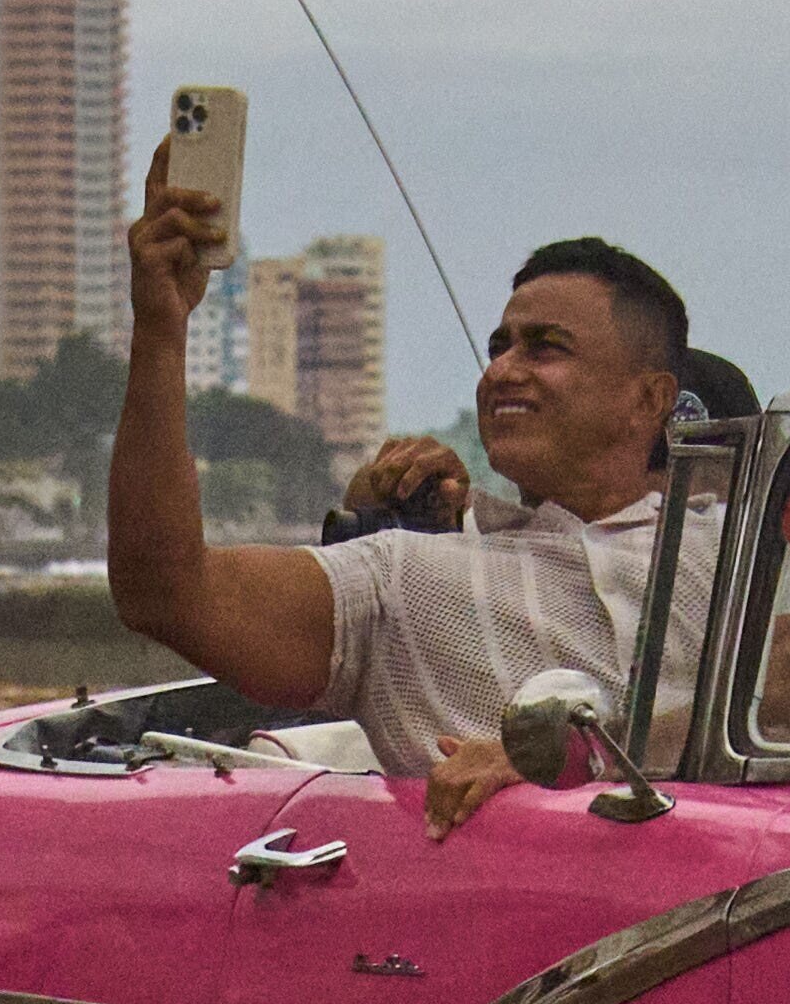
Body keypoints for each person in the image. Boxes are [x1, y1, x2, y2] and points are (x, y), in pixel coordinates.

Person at [107, 167, 697, 831]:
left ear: (648, 400)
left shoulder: (736, 551)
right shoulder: (405, 578)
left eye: (545, 348)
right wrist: (160, 330)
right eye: (498, 347)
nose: (502, 370)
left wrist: (580, 755)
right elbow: (165, 591)